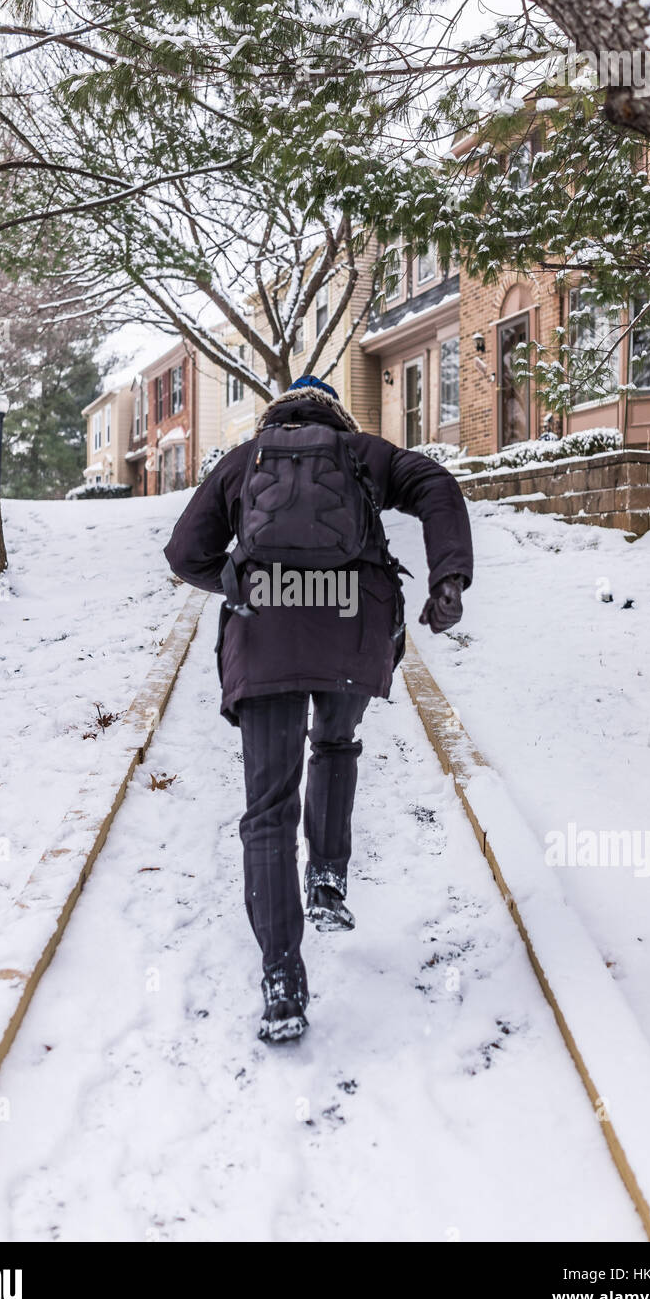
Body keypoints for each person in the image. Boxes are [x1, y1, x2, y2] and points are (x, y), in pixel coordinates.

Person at [164, 375, 473, 1043]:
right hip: (349, 632)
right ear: (335, 415)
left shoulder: (245, 461)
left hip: (266, 634)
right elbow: (438, 488)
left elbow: (183, 553)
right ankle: (328, 881)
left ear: (278, 417)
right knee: (335, 745)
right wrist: (448, 576)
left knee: (267, 806)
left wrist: (237, 574)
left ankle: (281, 980)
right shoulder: (366, 453)